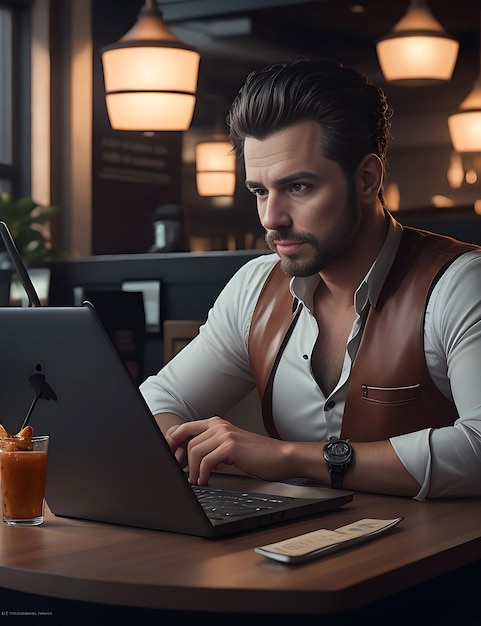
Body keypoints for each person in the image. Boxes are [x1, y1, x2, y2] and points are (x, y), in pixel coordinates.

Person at [140, 58, 481, 500]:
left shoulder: (460, 284)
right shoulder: (256, 288)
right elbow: (159, 399)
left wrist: (287, 457)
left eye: (298, 187)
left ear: (367, 178)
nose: (271, 218)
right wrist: (181, 446)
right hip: (296, 551)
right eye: (260, 191)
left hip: (434, 562)